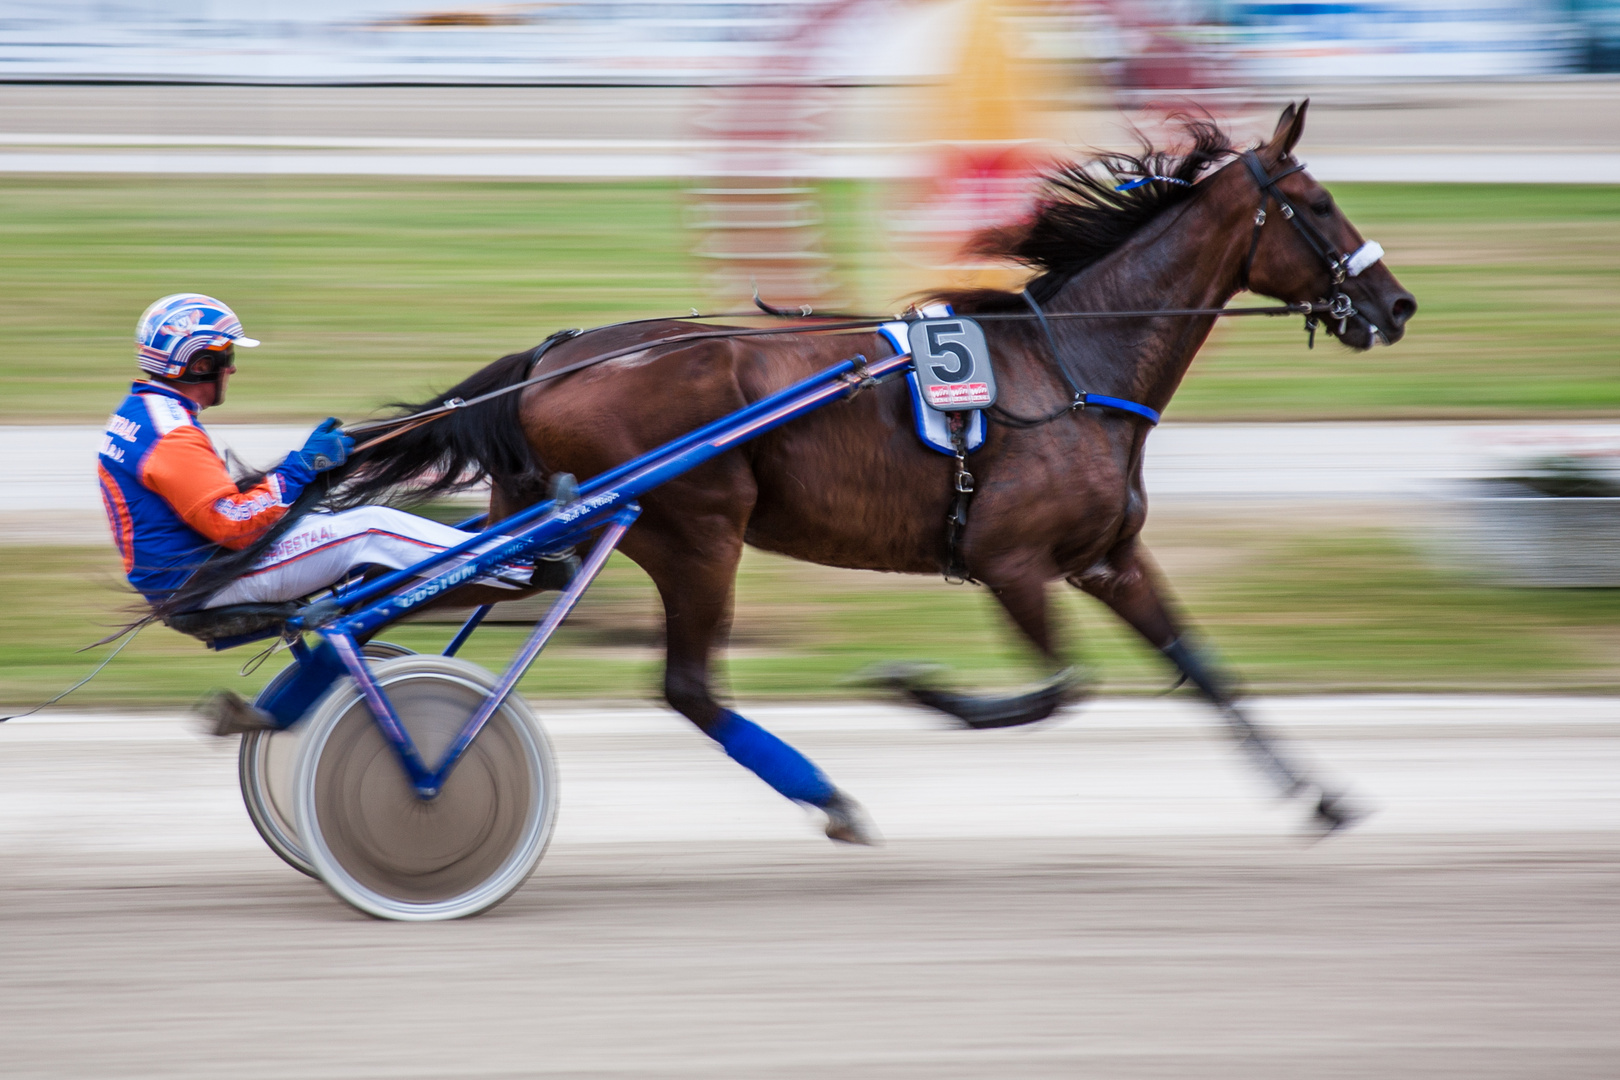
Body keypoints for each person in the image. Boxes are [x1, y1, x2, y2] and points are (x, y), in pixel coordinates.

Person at [97, 293, 539, 618]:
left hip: (193, 573)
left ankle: (492, 555)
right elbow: (232, 523)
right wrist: (301, 466)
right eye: (225, 356)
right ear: (197, 364)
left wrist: (306, 470)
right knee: (370, 527)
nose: (231, 367)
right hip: (205, 580)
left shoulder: (143, 412)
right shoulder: (171, 433)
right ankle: (516, 565)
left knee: (336, 525)